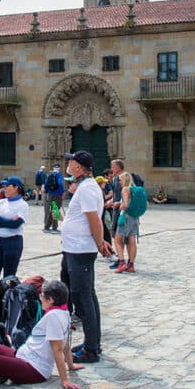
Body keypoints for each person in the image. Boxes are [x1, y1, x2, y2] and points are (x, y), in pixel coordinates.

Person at [0, 280, 83, 389]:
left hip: (34, 368)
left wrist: (64, 380)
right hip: (24, 355)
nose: (40, 298)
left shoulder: (53, 317)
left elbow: (58, 349)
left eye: (42, 296)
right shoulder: (64, 312)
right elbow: (66, 344)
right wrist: (71, 365)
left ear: (50, 300)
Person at [61, 150, 113, 364]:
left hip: (81, 249)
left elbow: (95, 220)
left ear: (78, 167)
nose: (68, 163)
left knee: (83, 298)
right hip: (75, 247)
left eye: (71, 161)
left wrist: (100, 243)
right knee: (86, 296)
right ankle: (92, 343)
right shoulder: (85, 187)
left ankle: (91, 349)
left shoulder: (88, 188)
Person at [0, 176, 29, 278]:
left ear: (16, 188)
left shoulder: (22, 205)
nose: (4, 189)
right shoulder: (1, 202)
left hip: (13, 242)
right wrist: (8, 220)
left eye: (6, 186)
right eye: (3, 186)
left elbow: (15, 224)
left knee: (9, 276)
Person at [112, 172, 141, 273]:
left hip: (126, 217)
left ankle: (121, 263)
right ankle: (131, 264)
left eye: (120, 180)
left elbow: (125, 205)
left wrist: (118, 206)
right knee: (131, 240)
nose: (119, 182)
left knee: (117, 240)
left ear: (124, 180)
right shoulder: (135, 188)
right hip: (135, 217)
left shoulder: (125, 189)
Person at [43, 163, 64, 233]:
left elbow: (46, 185)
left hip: (50, 194)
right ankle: (54, 228)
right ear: (59, 168)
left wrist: (48, 191)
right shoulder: (59, 175)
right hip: (57, 195)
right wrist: (62, 192)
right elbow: (60, 183)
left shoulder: (50, 174)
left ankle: (47, 227)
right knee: (55, 210)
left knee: (52, 210)